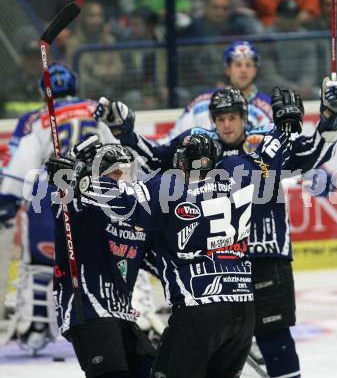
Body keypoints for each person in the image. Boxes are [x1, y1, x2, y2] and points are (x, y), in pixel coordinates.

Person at [93, 77, 337, 377]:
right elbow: (154, 160)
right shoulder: (216, 149)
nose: (227, 124)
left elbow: (313, 154)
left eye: (233, 117)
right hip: (221, 264)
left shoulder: (257, 147)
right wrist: (126, 133)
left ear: (244, 118)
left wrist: (330, 118)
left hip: (264, 255)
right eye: (221, 118)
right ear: (214, 121)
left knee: (274, 336)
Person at [48, 90, 299, 377]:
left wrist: (81, 183)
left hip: (198, 309)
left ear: (180, 162)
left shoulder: (169, 189)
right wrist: (285, 127)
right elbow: (270, 157)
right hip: (243, 310)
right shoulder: (240, 171)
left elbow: (124, 199)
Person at [0, 63, 118, 354]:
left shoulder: (35, 119)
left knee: (43, 261)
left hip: (52, 192)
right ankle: (123, 313)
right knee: (111, 259)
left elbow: (21, 164)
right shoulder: (94, 109)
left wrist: (8, 199)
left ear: (44, 91)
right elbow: (118, 153)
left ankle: (38, 324)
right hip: (97, 191)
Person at [47, 140, 156, 378]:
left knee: (152, 369)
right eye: (114, 174)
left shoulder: (133, 213)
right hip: (87, 309)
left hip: (122, 314)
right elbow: (63, 212)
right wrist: (66, 181)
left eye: (124, 173)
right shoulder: (81, 205)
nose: (121, 181)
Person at [170, 39, 272, 139]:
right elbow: (175, 138)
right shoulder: (203, 101)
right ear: (228, 69)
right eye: (238, 65)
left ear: (255, 70)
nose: (243, 70)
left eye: (248, 65)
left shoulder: (269, 107)